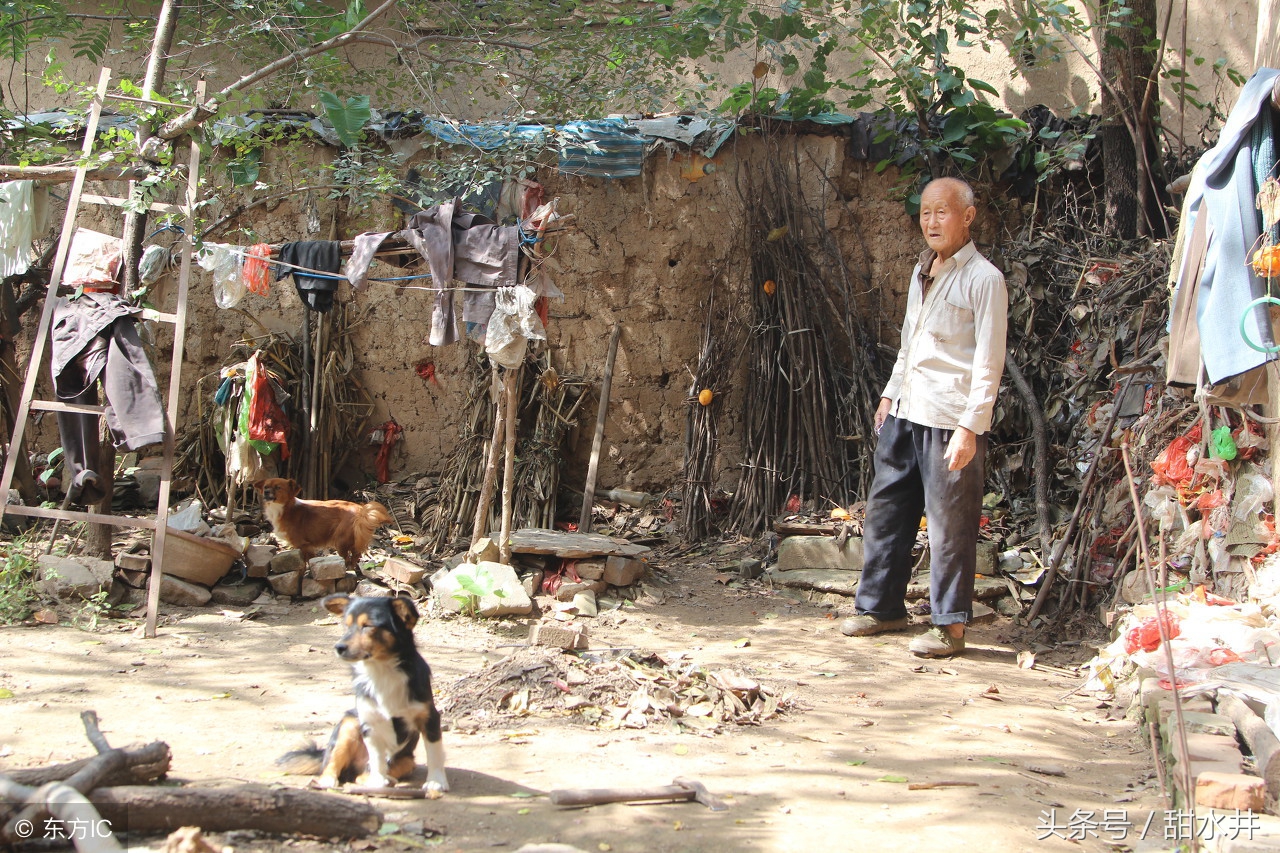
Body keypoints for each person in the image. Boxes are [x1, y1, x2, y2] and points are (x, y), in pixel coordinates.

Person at [841, 177, 1008, 658]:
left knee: (950, 526)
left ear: (968, 217)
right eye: (925, 213)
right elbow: (909, 342)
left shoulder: (984, 279)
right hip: (907, 411)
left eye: (942, 212)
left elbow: (988, 361)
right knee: (887, 512)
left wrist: (971, 427)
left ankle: (949, 627)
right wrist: (890, 395)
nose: (932, 222)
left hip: (949, 418)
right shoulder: (922, 271)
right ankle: (881, 608)